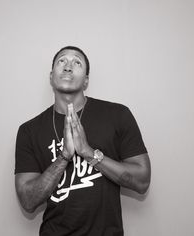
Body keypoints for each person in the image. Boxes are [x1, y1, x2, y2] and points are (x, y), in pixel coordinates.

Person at [15, 46, 151, 236]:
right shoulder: (29, 130)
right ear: (51, 76)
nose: (68, 66)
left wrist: (88, 152)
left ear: (86, 80)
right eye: (62, 61)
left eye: (77, 62)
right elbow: (28, 201)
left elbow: (142, 181)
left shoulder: (117, 115)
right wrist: (64, 157)